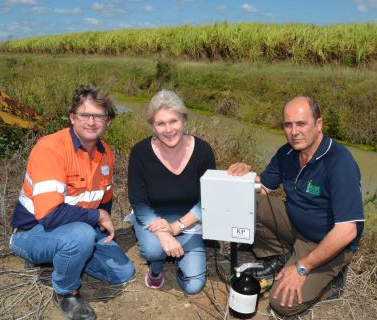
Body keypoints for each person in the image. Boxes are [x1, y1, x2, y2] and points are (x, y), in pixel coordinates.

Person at [228, 96, 364, 316]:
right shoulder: (287, 153)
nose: (294, 131)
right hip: (295, 227)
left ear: (318, 124)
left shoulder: (339, 162)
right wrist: (243, 176)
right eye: (288, 125)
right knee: (249, 202)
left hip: (328, 242)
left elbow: (347, 231)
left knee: (281, 302)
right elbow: (261, 189)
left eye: (301, 124)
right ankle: (281, 255)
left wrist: (302, 268)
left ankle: (332, 280)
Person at [9, 85, 135, 320]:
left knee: (123, 272)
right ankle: (65, 292)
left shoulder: (105, 152)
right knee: (80, 237)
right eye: (85, 115)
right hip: (32, 232)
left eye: (99, 116)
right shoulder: (51, 148)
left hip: (78, 228)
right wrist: (97, 217)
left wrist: (101, 229)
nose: (91, 122)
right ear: (72, 118)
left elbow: (104, 199)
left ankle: (67, 258)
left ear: (109, 121)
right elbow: (48, 214)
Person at [127, 90, 216, 294]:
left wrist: (176, 227)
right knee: (153, 248)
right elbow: (138, 201)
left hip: (190, 221)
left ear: (184, 120)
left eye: (173, 121)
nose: (168, 129)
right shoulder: (140, 153)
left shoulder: (203, 151)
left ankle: (179, 258)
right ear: (152, 127)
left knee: (193, 286)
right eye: (160, 123)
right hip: (153, 220)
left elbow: (208, 199)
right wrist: (164, 234)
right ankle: (156, 267)